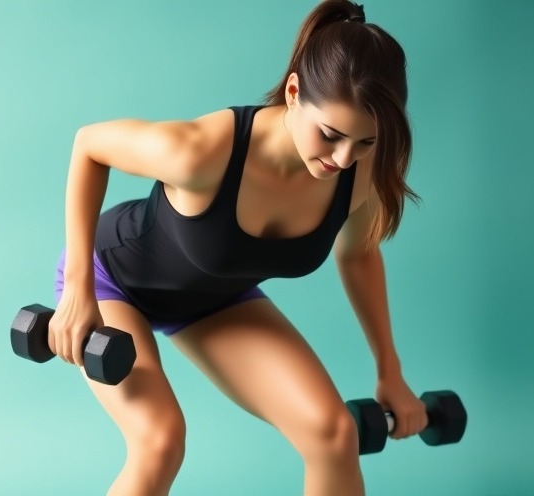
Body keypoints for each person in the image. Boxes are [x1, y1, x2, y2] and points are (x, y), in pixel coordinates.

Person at [50, 1, 428, 494]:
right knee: (160, 441)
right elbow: (89, 145)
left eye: (365, 142)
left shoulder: (360, 179)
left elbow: (357, 254)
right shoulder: (203, 150)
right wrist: (78, 291)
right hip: (114, 281)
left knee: (334, 434)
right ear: (294, 92)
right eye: (331, 135)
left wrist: (390, 373)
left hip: (216, 299)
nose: (343, 158)